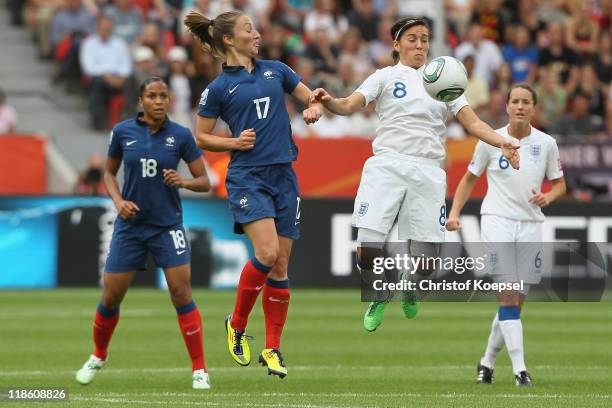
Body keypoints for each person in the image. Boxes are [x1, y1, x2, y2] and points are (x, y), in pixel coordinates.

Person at [309, 17, 520, 332]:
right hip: (387, 165)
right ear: (396, 44)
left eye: (424, 39)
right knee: (367, 252)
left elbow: (473, 123)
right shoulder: (384, 77)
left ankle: (409, 286)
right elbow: (349, 104)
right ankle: (380, 292)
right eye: (412, 38)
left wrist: (502, 141)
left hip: (428, 170)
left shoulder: (442, 79)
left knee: (426, 262)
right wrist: (329, 103)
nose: (420, 45)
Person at [184, 10, 322, 378]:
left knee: (280, 266)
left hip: (284, 177)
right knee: (267, 252)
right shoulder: (217, 89)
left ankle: (273, 349)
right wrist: (232, 142)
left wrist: (313, 107)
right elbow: (200, 136)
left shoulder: (277, 70)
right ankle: (237, 323)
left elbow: (312, 97)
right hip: (247, 176)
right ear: (229, 40)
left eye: (254, 28)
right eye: (248, 29)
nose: (256, 33)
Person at [75, 77, 212, 389]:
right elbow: (109, 173)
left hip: (167, 226)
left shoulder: (180, 135)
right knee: (111, 295)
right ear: (141, 101)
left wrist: (184, 182)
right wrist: (119, 201)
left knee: (181, 293)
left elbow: (205, 181)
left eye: (164, 96)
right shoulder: (123, 132)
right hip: (130, 227)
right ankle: (98, 355)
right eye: (152, 96)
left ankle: (200, 370)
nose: (159, 101)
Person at [446, 83, 566, 387]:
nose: (520, 107)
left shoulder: (546, 143)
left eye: (526, 102)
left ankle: (486, 363)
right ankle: (520, 370)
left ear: (534, 108)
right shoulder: (491, 140)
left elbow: (560, 183)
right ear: (508, 107)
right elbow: (468, 179)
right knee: (509, 294)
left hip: (530, 225)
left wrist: (548, 198)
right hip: (496, 220)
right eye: (515, 101)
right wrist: (455, 213)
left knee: (514, 304)